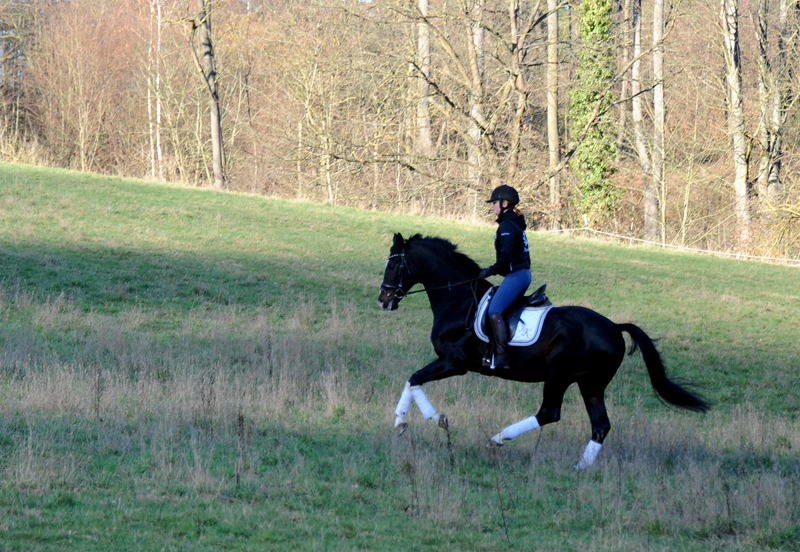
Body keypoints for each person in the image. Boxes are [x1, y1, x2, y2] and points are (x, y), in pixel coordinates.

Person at [477, 185, 531, 369]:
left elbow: (504, 260)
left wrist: (487, 271)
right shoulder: (513, 223)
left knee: (494, 310)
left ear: (504, 203)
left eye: (495, 203)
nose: (493, 207)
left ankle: (502, 357)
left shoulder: (507, 226)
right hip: (521, 274)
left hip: (517, 275)